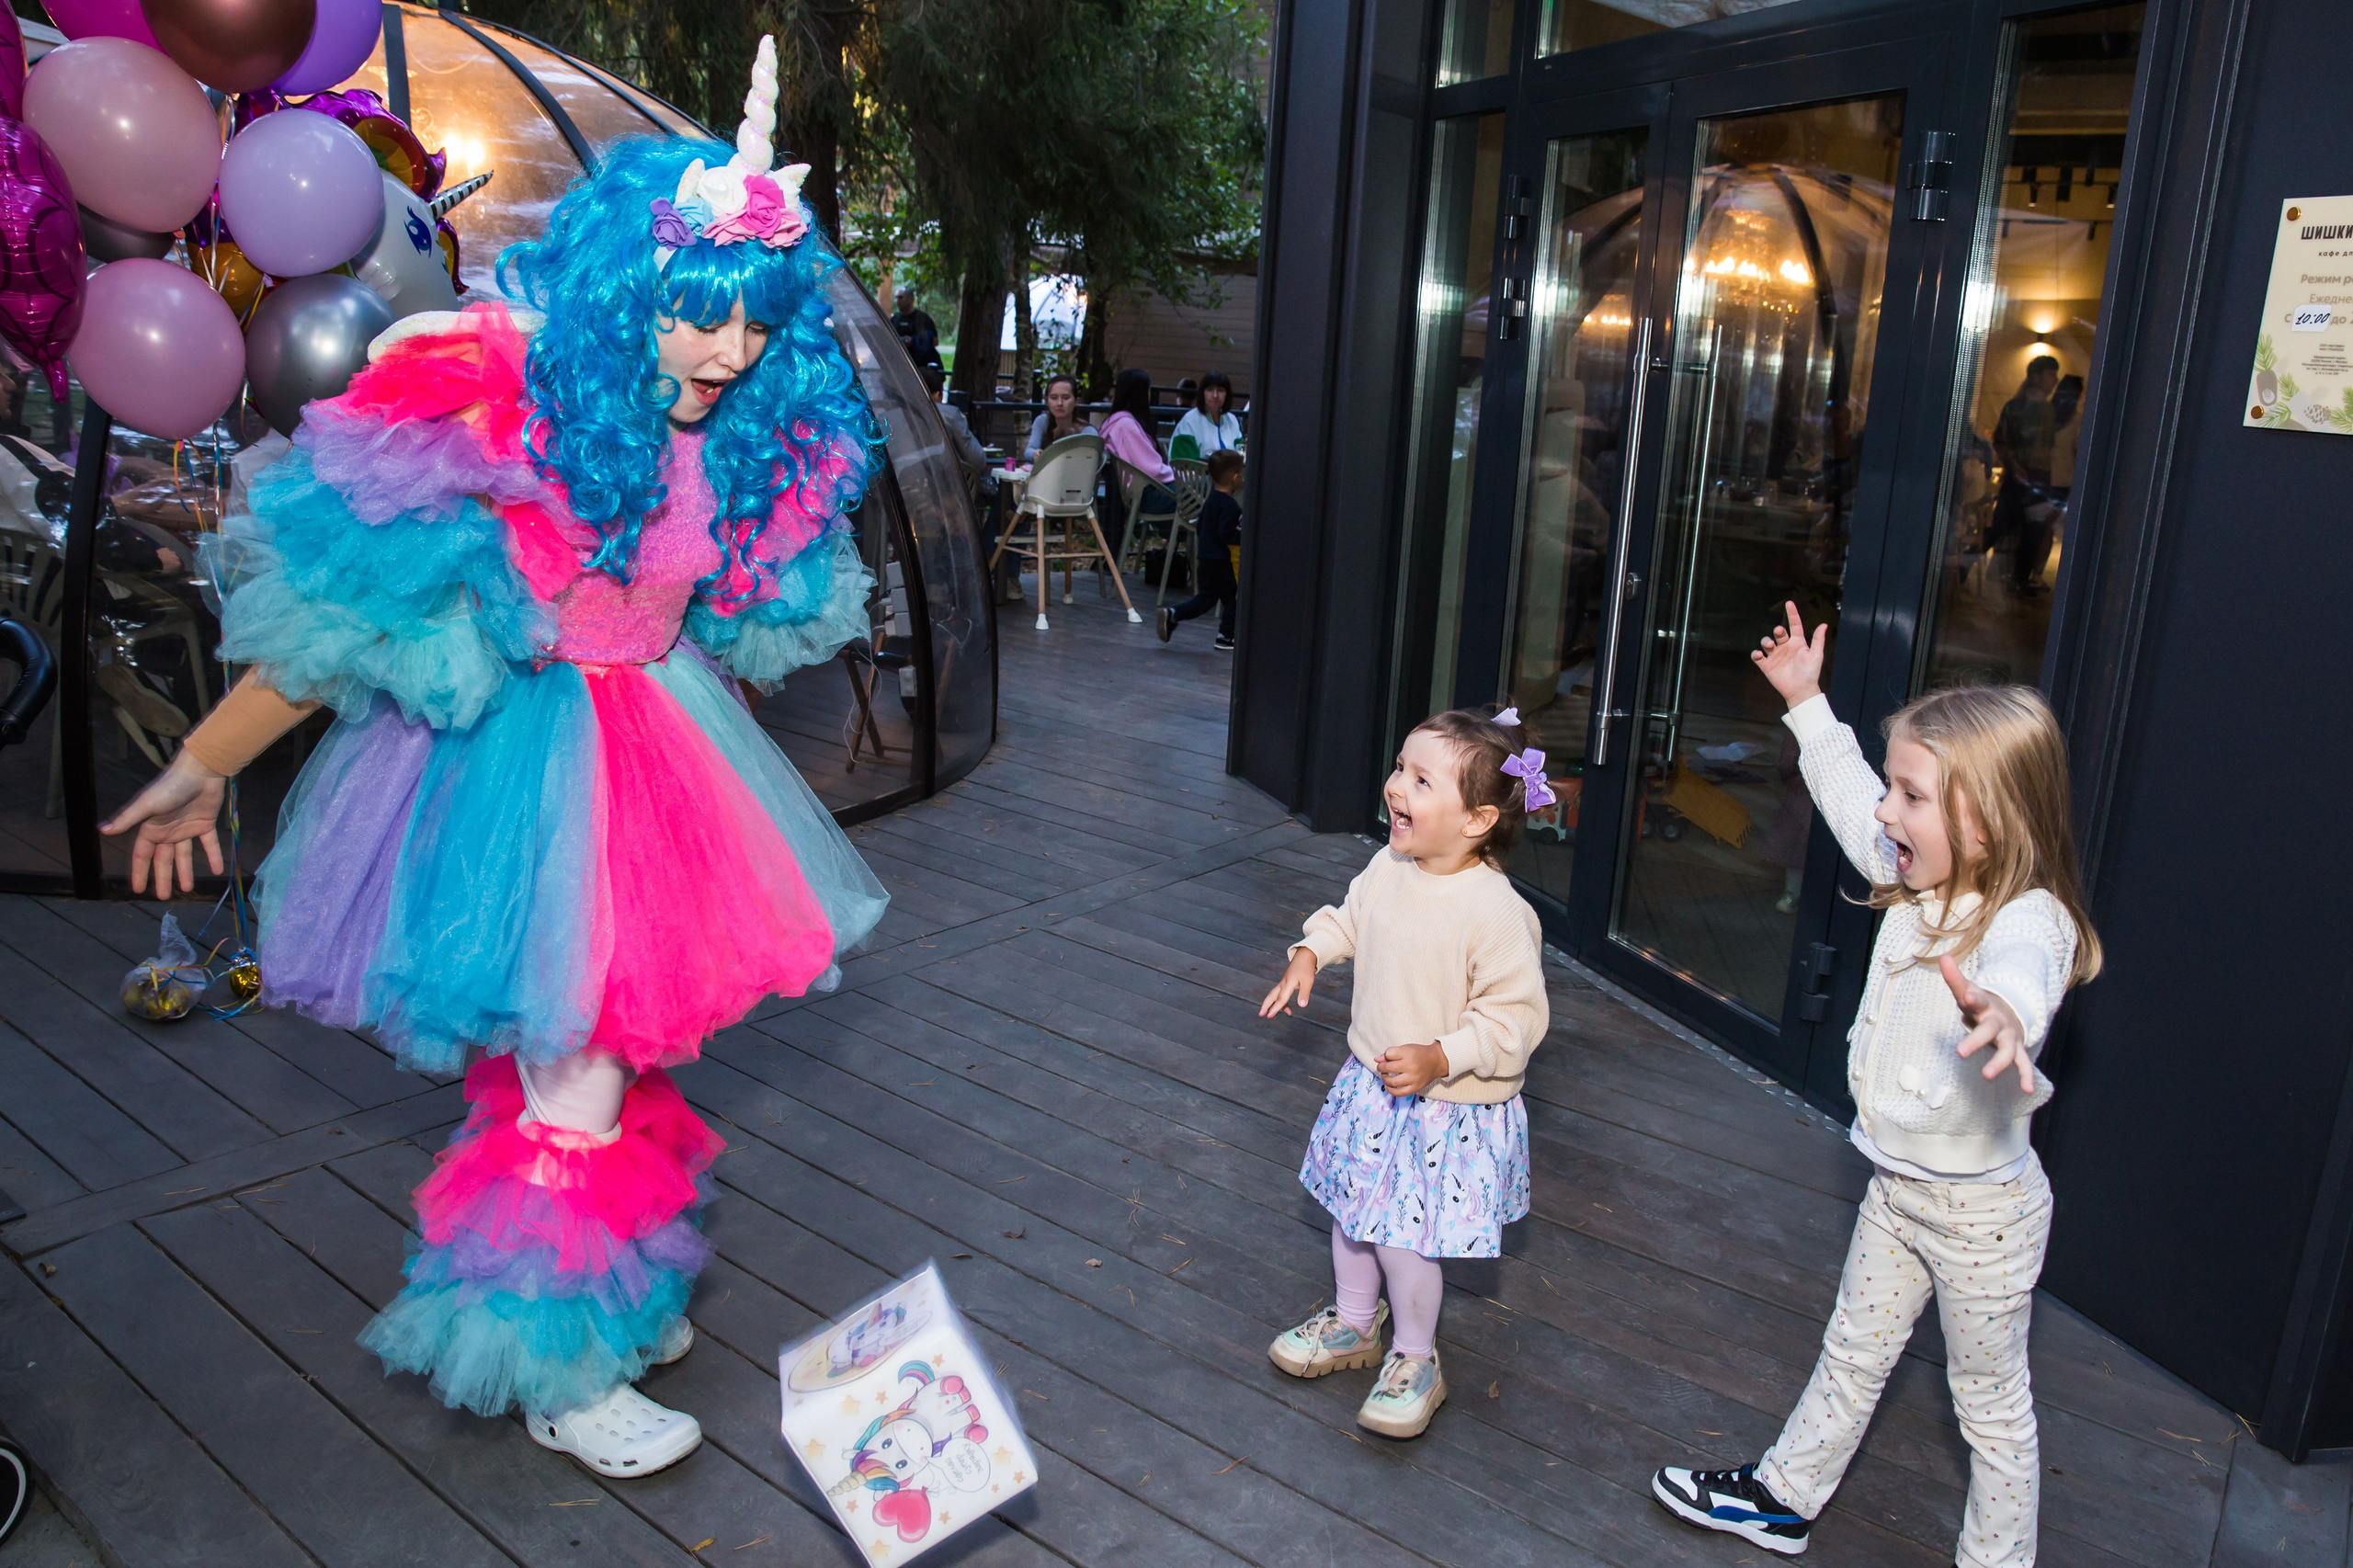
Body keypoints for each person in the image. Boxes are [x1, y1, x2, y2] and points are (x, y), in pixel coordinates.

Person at [97, 45, 890, 1481]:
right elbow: (351, 618)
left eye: (753, 327)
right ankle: (547, 1359)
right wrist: (208, 762)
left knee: (610, 1052)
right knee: (575, 1077)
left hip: (657, 755)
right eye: (694, 317)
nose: (725, 352)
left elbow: (717, 595)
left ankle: (611, 1289)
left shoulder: (724, 432)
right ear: (620, 295)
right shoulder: (508, 409)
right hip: (523, 769)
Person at [1652, 602, 2101, 1562]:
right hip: (1896, 1189)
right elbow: (1851, 800)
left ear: (1988, 819)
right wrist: (1808, 704)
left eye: (1913, 795)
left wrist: (2007, 1013)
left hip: (1982, 1214)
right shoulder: (1913, 879)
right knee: (1852, 1352)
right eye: (1895, 794)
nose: (1888, 813)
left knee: (1990, 1407)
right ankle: (1782, 1494)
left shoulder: (2027, 917)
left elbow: (2027, 970)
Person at [1258, 710, 1548, 1440]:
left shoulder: (1496, 913)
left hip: (1445, 1106)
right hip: (1374, 1085)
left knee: (1403, 1239)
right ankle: (1357, 1323)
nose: (1396, 788)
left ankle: (1415, 1356)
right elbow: (1351, 917)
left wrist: (1441, 1055)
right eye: (1399, 769)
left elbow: (1513, 1021)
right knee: (1352, 1213)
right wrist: (1309, 953)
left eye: (1422, 780)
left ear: (1479, 818)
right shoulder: (1390, 866)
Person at [1155, 448, 1243, 650]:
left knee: (1206, 598)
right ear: (1236, 477)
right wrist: (1243, 535)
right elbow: (1227, 533)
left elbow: (1201, 527)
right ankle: (1225, 636)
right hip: (1222, 561)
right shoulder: (1230, 506)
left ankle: (1173, 615)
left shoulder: (1210, 501)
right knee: (1234, 597)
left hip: (1205, 558)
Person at [1986, 355, 2060, 595]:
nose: (2054, 380)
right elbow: (2000, 440)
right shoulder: (2015, 407)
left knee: (2034, 531)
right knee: (2001, 526)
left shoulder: (2050, 411)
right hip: (2019, 477)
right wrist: (2013, 464)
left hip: (2040, 479)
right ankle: (1967, 564)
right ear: (2036, 377)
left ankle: (2019, 579)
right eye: (2050, 374)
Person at [921, 361, 989, 494]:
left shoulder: (892, 416)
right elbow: (978, 460)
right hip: (945, 494)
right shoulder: (949, 415)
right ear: (936, 395)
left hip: (903, 494)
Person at [1021, 373, 1090, 461]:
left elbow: (1094, 458)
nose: (1059, 403)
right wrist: (1035, 454)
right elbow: (1029, 451)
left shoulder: (1087, 430)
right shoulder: (1042, 421)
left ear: (1076, 401)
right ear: (1047, 401)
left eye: (1065, 398)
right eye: (1054, 398)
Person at [1172, 369, 1243, 455]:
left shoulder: (1232, 420)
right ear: (1202, 394)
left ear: (1227, 395)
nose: (1215, 395)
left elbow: (1241, 455)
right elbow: (1183, 462)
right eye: (1210, 390)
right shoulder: (1189, 421)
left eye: (1220, 390)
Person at [891, 287, 941, 371]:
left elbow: (935, 342)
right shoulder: (894, 319)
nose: (897, 300)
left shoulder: (924, 319)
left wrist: (914, 341)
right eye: (895, 297)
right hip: (899, 364)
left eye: (900, 297)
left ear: (911, 299)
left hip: (920, 365)